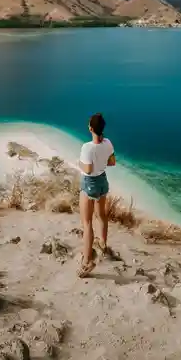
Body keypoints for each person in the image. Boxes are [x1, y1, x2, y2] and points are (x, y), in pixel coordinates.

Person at [78, 112, 116, 277]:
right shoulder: (108, 143)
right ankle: (103, 243)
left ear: (91, 128)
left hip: (90, 183)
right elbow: (112, 162)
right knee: (101, 215)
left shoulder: (87, 147)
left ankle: (87, 261)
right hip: (102, 181)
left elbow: (87, 169)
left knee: (86, 223)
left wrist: (78, 162)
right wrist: (101, 161)